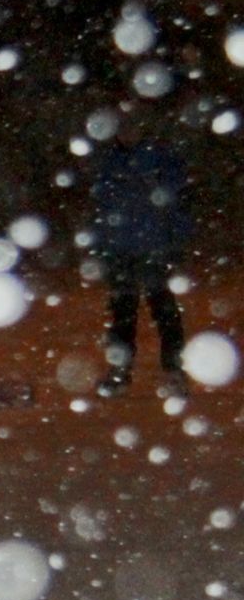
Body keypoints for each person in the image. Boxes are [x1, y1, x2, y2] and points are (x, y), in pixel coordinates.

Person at [90, 118, 191, 398]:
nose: (127, 132)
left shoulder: (159, 158)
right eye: (123, 127)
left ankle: (173, 373)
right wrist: (100, 247)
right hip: (121, 251)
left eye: (132, 125)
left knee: (165, 312)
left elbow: (176, 199)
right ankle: (120, 373)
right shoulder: (109, 163)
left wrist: (177, 239)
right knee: (122, 315)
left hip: (154, 248)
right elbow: (102, 208)